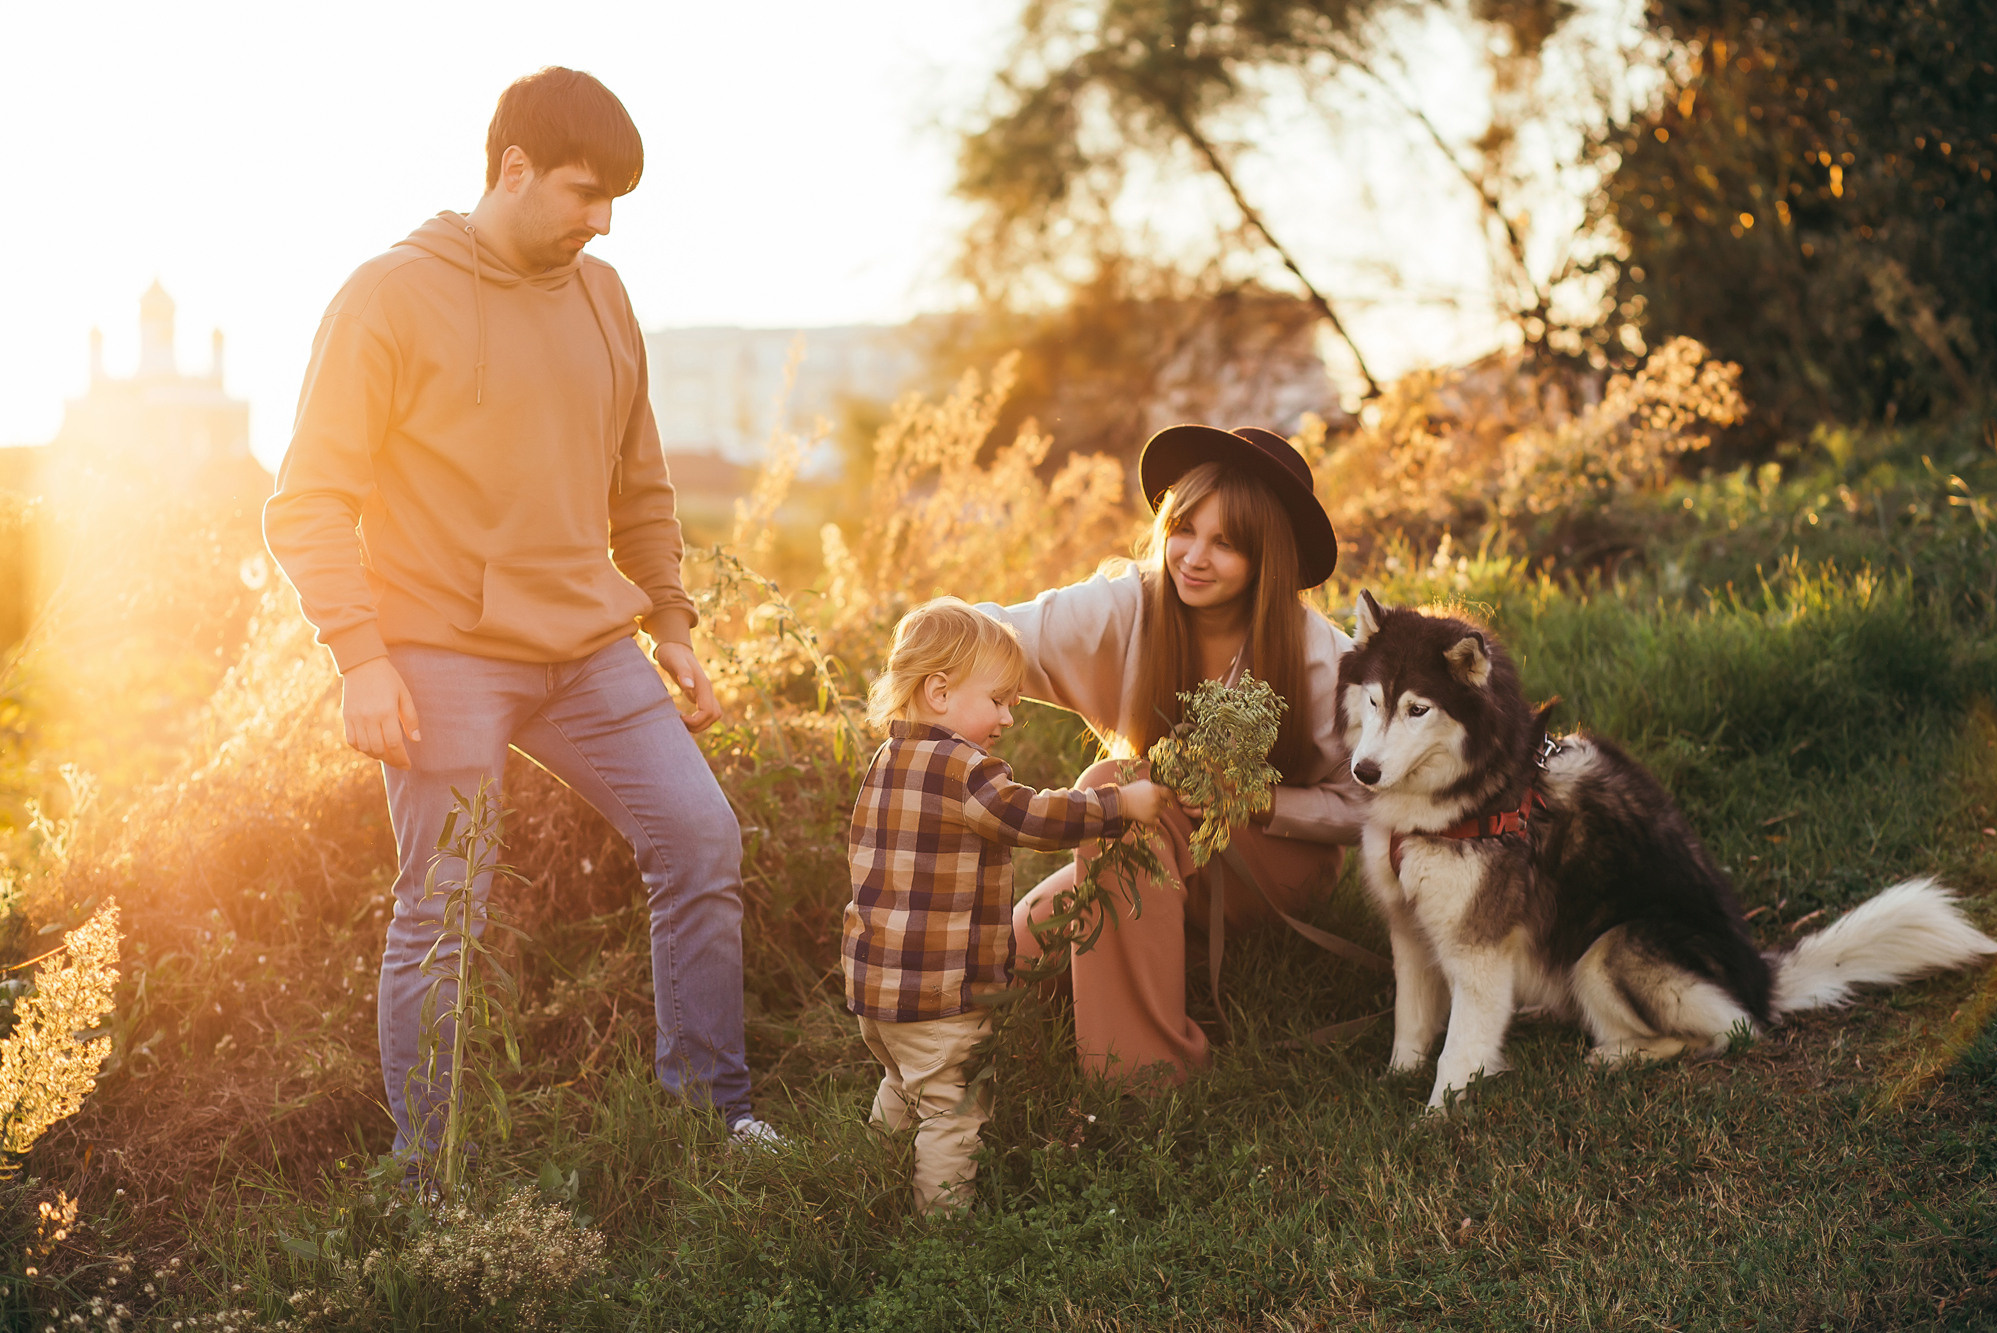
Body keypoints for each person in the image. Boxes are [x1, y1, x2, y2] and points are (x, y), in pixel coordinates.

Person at [264, 67, 777, 1162]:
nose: (599, 224)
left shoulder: (603, 295)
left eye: (614, 206)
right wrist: (360, 656)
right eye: (583, 195)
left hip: (589, 648)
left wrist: (671, 626)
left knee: (700, 837)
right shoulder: (388, 296)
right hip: (441, 650)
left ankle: (710, 1113)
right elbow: (307, 500)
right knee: (445, 907)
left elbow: (640, 485)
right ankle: (431, 1177)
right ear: (512, 168)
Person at [983, 424, 1369, 1085]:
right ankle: (1160, 945)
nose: (1191, 555)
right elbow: (1002, 634)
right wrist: (931, 647)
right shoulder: (1130, 602)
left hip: (1274, 860)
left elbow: (1372, 805)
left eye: (1226, 543)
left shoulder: (1322, 658)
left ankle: (1142, 1078)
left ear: (1266, 558)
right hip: (1155, 838)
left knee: (1113, 784)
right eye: (1184, 526)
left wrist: (1260, 799)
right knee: (1011, 950)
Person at [845, 598, 1164, 1213]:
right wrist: (1118, 805)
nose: (1011, 717)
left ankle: (867, 1178)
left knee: (903, 1082)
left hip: (877, 988)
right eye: (999, 700)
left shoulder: (887, 761)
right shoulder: (963, 768)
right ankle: (941, 1238)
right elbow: (1029, 816)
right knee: (952, 1109)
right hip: (941, 993)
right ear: (939, 692)